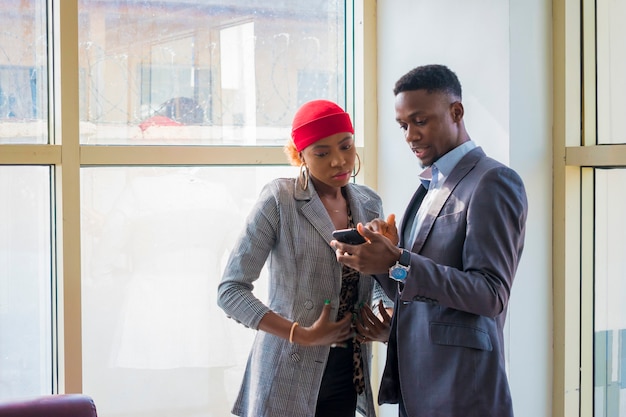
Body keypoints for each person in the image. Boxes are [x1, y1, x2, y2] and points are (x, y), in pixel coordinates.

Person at [331, 64, 528, 417]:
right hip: (419, 389)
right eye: (404, 125)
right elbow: (415, 291)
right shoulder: (428, 189)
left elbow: (491, 294)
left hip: (463, 394)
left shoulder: (493, 182)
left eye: (420, 121)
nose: (410, 136)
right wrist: (381, 262)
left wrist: (396, 261)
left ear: (456, 112)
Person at [217, 99, 392, 417]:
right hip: (288, 370)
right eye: (322, 153)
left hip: (348, 373)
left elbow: (378, 278)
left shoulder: (369, 204)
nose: (339, 162)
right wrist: (299, 333)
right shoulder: (280, 199)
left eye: (346, 146)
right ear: (300, 156)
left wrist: (386, 315)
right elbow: (231, 291)